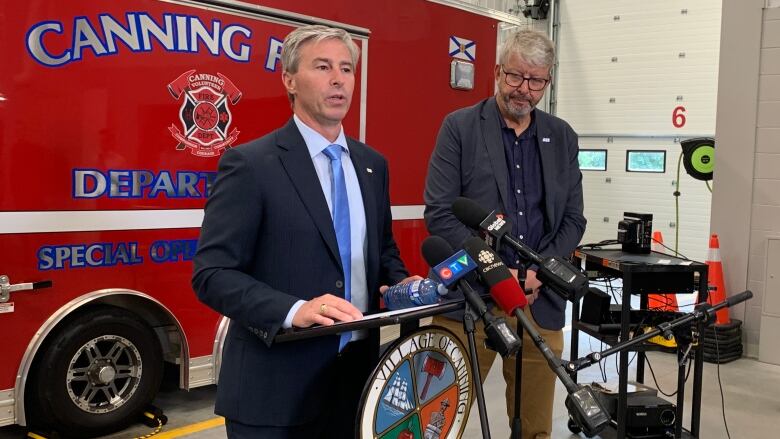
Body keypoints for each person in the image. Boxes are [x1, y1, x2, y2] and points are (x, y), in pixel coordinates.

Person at [192, 24, 419, 439]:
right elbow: (212, 275)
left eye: (347, 69)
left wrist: (403, 285)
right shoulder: (251, 164)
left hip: (357, 383)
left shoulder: (372, 165)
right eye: (323, 66)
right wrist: (295, 310)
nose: (338, 79)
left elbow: (382, 253)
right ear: (290, 80)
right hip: (274, 390)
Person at [423, 29, 586, 439]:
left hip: (539, 300)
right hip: (472, 299)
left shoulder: (561, 135)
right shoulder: (459, 127)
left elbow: (573, 220)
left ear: (547, 82)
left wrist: (536, 274)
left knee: (534, 429)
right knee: (437, 423)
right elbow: (441, 214)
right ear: (497, 72)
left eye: (536, 81)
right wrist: (499, 273)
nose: (524, 90)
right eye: (515, 77)